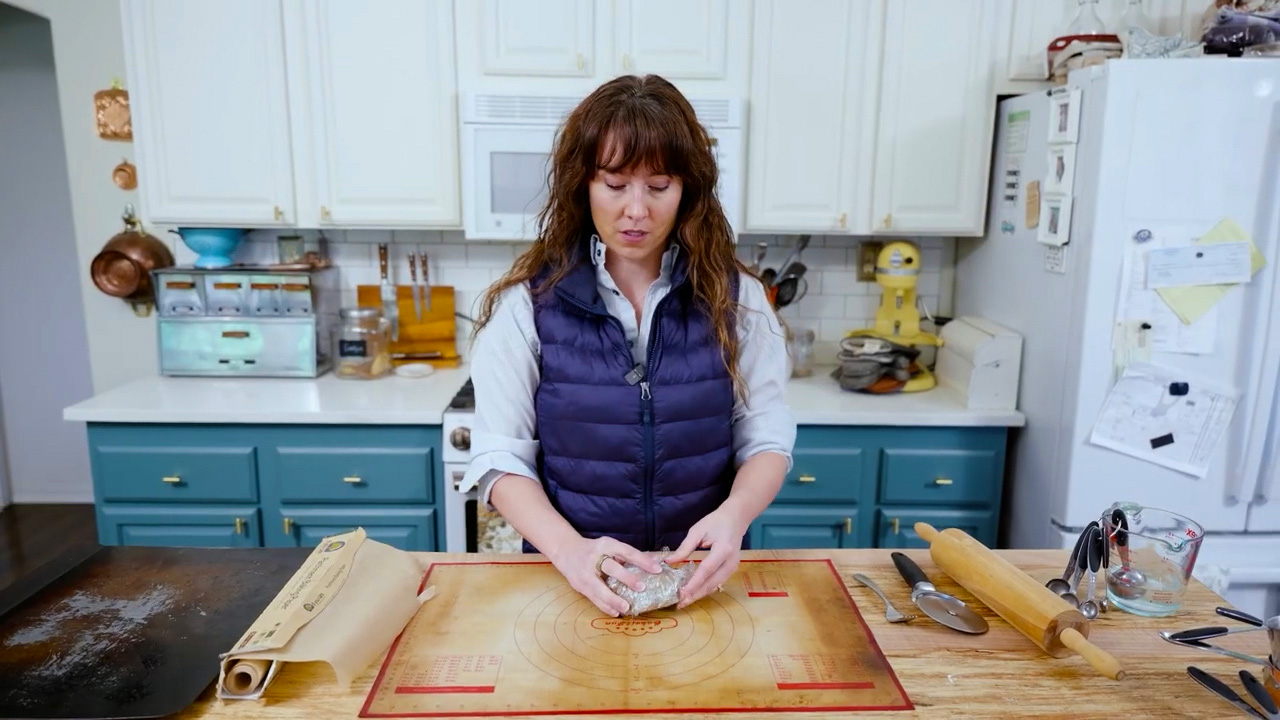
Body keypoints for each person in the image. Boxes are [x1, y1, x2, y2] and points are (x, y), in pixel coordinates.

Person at [462, 74, 796, 618]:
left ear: (688, 189)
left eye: (659, 186)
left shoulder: (741, 300)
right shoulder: (526, 306)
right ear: (582, 186)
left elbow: (766, 433)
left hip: (702, 583)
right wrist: (571, 552)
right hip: (571, 585)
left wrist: (736, 514)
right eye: (615, 185)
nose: (636, 210)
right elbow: (500, 458)